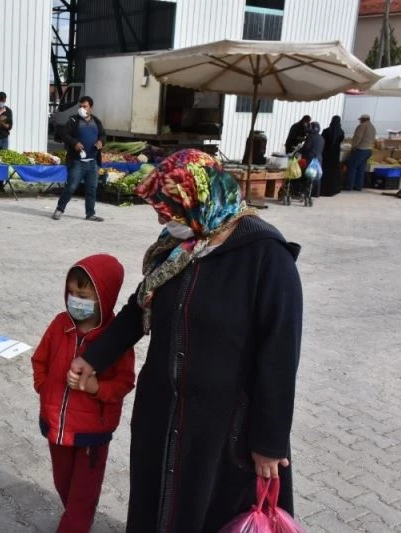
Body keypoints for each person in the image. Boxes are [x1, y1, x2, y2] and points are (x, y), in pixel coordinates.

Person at [67, 150, 303, 532]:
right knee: (157, 506)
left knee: (209, 514)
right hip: (161, 414)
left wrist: (269, 442)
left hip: (224, 429)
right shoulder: (179, 249)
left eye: (168, 208)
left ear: (201, 199)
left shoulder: (267, 258)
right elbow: (138, 308)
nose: (161, 218)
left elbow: (280, 356)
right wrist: (94, 357)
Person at [32, 254, 135, 533]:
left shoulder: (115, 339)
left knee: (81, 500)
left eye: (83, 294)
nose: (75, 299)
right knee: (64, 486)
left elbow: (124, 382)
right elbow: (39, 360)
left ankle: (74, 525)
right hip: (56, 429)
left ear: (104, 296)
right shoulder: (59, 325)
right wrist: (45, 390)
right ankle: (75, 522)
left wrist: (96, 388)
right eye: (72, 293)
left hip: (92, 435)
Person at [53, 96, 105, 222]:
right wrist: (74, 143)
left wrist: (101, 142)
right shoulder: (73, 120)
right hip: (77, 162)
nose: (81, 109)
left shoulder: (96, 121)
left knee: (92, 188)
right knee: (71, 187)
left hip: (92, 162)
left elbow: (103, 135)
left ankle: (90, 213)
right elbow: (65, 135)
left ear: (91, 108)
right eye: (80, 106)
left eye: (84, 106)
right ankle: (59, 209)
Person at [345, 114, 376, 191]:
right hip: (369, 150)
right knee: (361, 169)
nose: (359, 121)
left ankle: (349, 186)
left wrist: (353, 147)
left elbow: (357, 137)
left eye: (360, 120)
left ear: (363, 119)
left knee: (352, 167)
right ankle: (358, 186)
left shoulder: (362, 126)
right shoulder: (372, 127)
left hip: (361, 149)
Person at [321, 115, 346, 197]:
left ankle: (323, 189)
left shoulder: (325, 131)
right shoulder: (341, 133)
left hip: (326, 154)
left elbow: (322, 141)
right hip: (335, 156)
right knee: (333, 173)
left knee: (325, 172)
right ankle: (333, 190)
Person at [300, 121, 324, 197]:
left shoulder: (310, 137)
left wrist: (299, 150)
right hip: (318, 159)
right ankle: (315, 193)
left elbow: (306, 148)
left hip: (310, 158)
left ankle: (306, 192)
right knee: (316, 175)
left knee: (308, 175)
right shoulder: (321, 138)